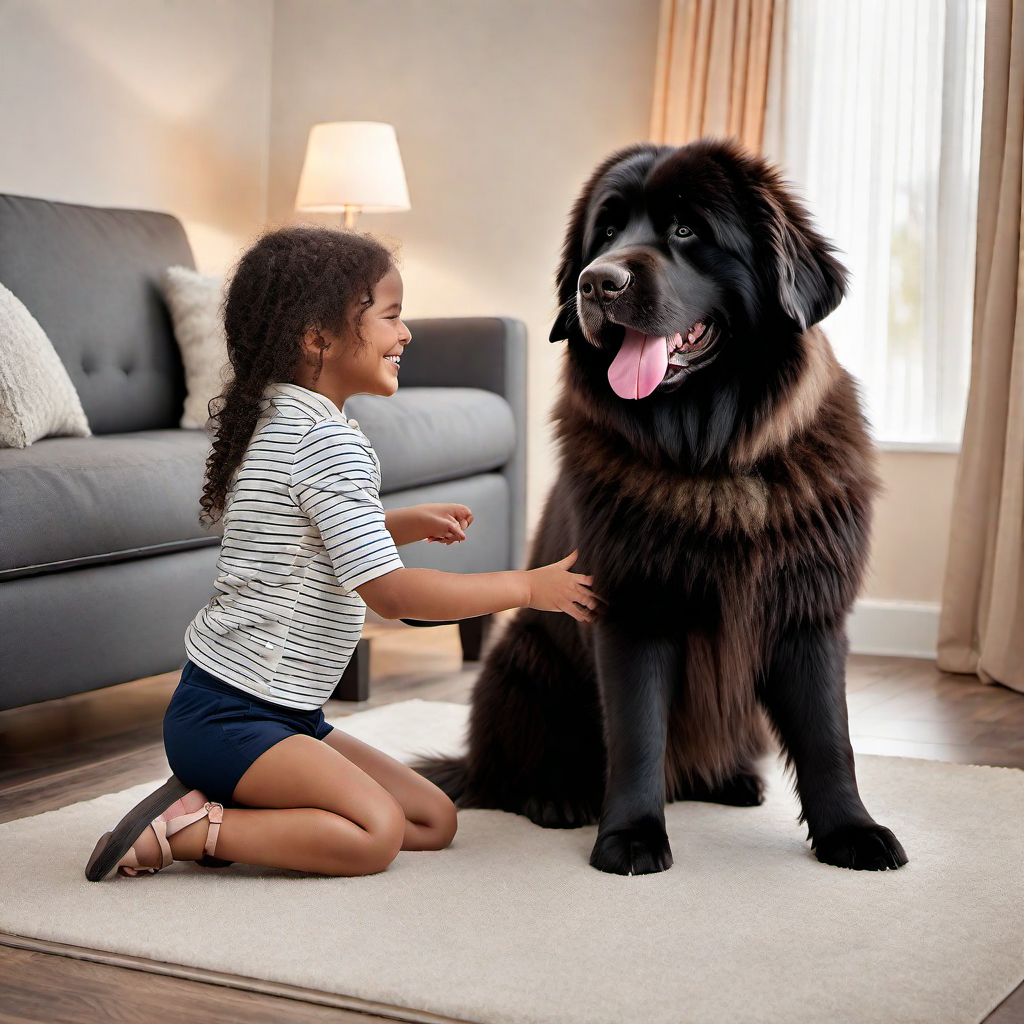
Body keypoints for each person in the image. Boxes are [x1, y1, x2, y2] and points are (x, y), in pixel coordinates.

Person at [85, 227, 599, 882]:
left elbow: (304, 536)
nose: (406, 333)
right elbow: (393, 598)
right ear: (317, 337)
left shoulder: (280, 421)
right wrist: (529, 588)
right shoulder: (325, 442)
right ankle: (190, 830)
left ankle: (225, 799)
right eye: (390, 315)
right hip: (234, 716)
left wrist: (399, 524)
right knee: (375, 834)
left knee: (432, 820)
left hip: (274, 714)